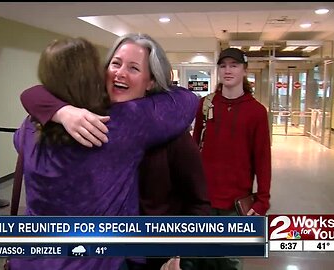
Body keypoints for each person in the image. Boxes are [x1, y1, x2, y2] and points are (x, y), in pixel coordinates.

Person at [19, 33, 212, 270]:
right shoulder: (110, 121)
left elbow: (199, 202)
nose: (120, 73)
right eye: (115, 63)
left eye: (133, 68)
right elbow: (187, 98)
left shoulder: (168, 133)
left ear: (151, 81)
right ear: (100, 73)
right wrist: (63, 111)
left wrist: (185, 253)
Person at [191, 47, 272, 269]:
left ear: (244, 70)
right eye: (223, 65)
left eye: (234, 65)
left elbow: (262, 158)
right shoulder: (206, 105)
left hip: (235, 205)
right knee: (200, 260)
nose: (228, 70)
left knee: (230, 262)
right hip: (204, 201)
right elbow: (194, 146)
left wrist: (262, 200)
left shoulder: (256, 112)